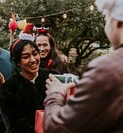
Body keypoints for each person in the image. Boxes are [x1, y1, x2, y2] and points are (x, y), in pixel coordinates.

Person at [43, 0, 123, 133]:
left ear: (118, 21)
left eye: (106, 17)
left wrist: (54, 94)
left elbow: (58, 128)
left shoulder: (106, 71)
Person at [0, 23, 59, 133]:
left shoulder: (52, 77)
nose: (33, 60)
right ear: (17, 62)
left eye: (35, 54)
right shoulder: (8, 89)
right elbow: (15, 126)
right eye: (26, 57)